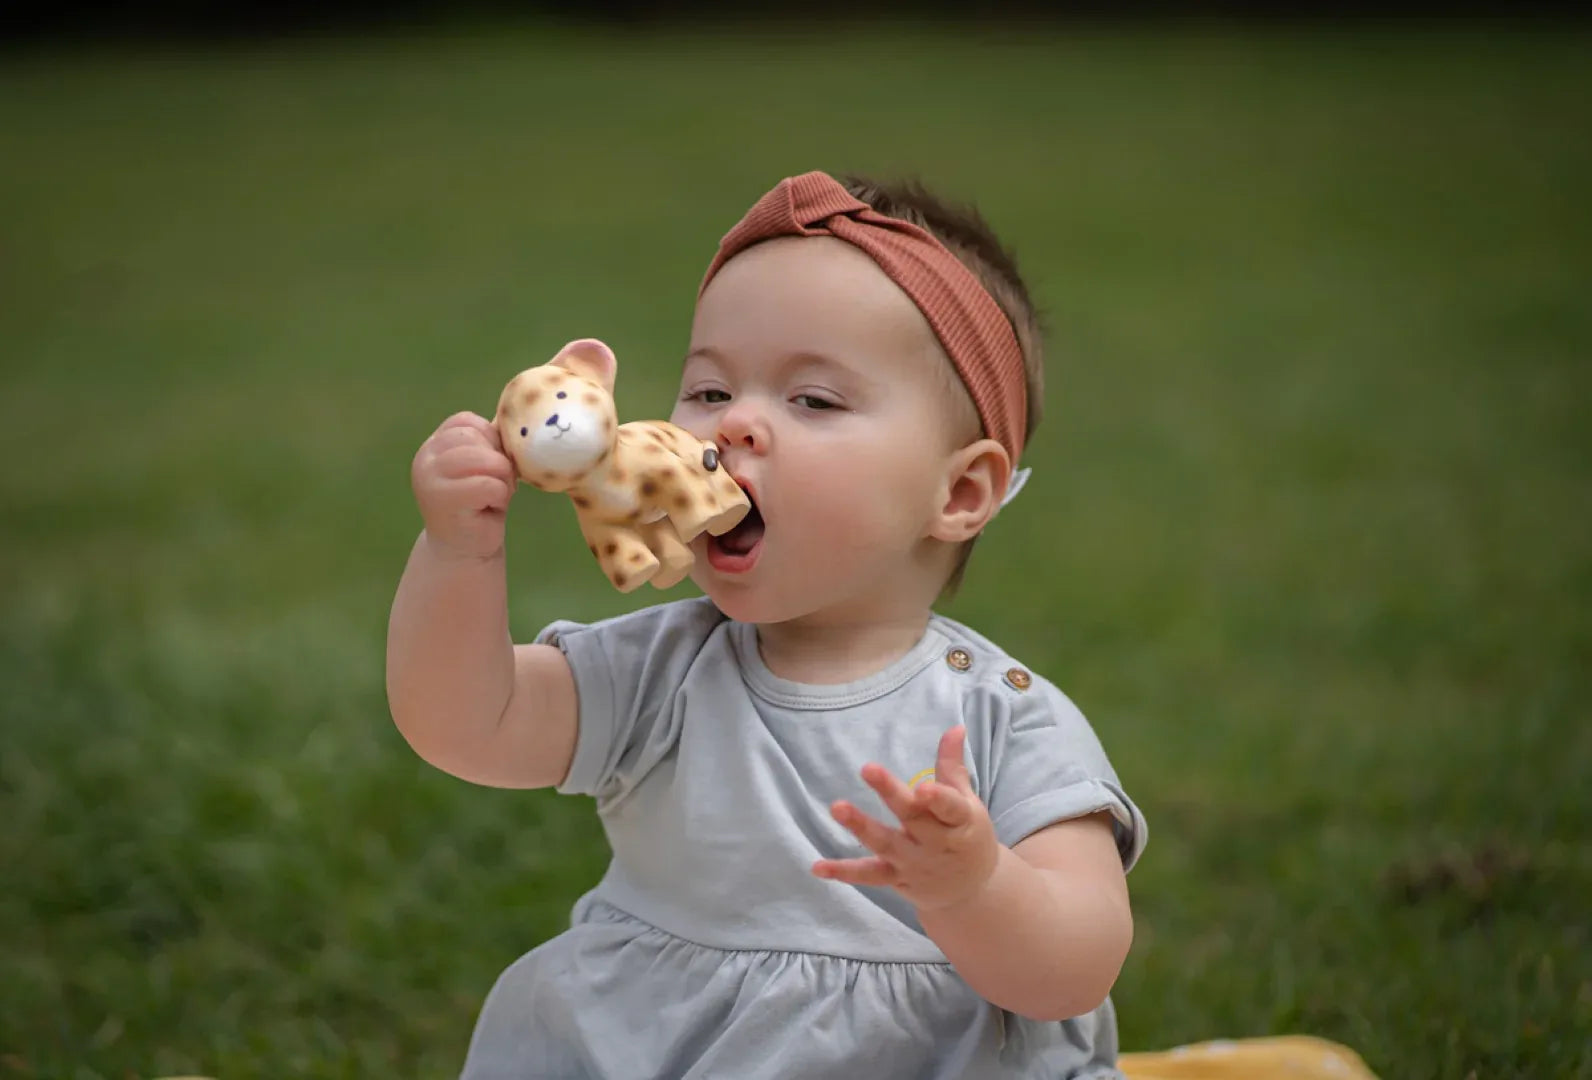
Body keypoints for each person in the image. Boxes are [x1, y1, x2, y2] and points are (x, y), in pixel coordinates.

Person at [387, 170, 1147, 1078]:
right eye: (709, 391)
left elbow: (1077, 967)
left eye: (813, 400)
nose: (736, 424)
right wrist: (457, 554)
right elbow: (464, 723)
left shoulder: (1002, 717)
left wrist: (975, 886)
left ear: (959, 491)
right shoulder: (662, 671)